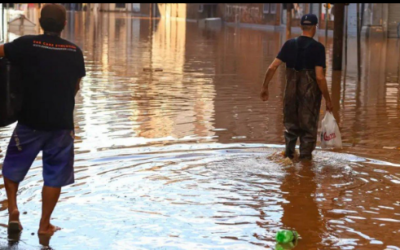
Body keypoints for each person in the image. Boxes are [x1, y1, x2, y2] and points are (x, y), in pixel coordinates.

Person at [0, 4, 85, 235]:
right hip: (61, 124)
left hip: (30, 121)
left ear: (39, 22)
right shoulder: (75, 52)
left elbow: (0, 53)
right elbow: (75, 86)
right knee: (55, 175)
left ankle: (14, 210)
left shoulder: (26, 44)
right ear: (64, 25)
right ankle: (44, 224)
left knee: (12, 167)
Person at [260, 13, 333, 160]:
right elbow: (319, 77)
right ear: (315, 27)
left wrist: (265, 87)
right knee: (308, 130)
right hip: (309, 97)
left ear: (301, 27)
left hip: (290, 95)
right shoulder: (318, 48)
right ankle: (305, 167)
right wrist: (328, 99)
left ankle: (289, 157)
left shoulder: (289, 44)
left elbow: (272, 67)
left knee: (291, 128)